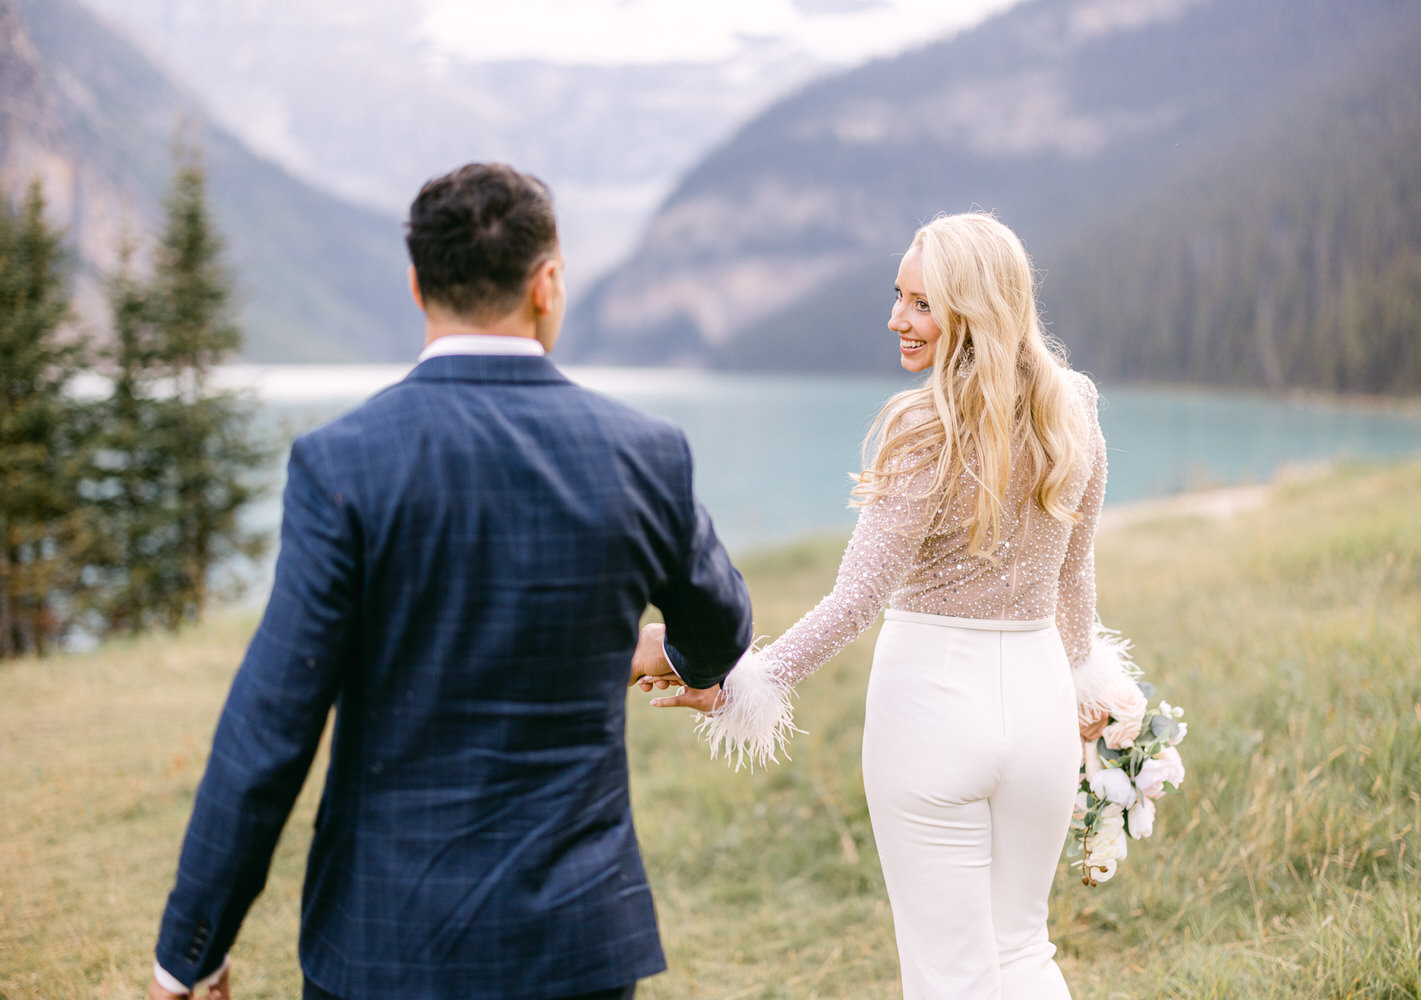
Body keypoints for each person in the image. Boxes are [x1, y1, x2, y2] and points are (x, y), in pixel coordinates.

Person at [147, 162, 753, 1000]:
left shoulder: (343, 462)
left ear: (415, 286)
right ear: (547, 285)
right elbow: (723, 627)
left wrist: (192, 952)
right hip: (573, 944)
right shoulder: (645, 453)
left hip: (383, 943)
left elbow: (271, 726)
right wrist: (667, 649)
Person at [640, 212, 1133, 999]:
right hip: (1040, 708)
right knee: (1022, 953)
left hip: (932, 710)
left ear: (977, 310)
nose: (898, 318)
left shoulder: (923, 427)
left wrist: (744, 684)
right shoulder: (1073, 409)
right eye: (899, 297)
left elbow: (855, 599)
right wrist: (1089, 683)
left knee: (948, 974)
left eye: (924, 304)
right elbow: (1075, 577)